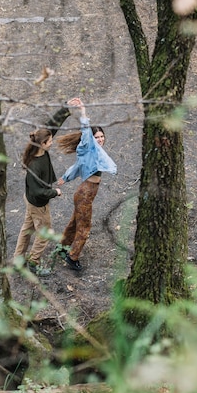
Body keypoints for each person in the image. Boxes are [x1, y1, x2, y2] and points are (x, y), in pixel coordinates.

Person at [13, 100, 78, 276]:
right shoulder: (35, 165)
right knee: (45, 232)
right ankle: (33, 262)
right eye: (49, 141)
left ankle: (18, 259)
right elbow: (37, 191)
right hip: (38, 202)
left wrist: (65, 108)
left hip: (31, 201)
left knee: (27, 229)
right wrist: (54, 192)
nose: (52, 142)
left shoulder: (38, 148)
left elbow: (51, 127)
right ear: (43, 144)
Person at [56, 100, 117, 271]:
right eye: (97, 137)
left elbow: (77, 166)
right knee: (84, 227)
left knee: (75, 222)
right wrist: (83, 111)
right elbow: (86, 132)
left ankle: (62, 247)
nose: (100, 139)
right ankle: (72, 257)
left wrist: (65, 177)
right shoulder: (89, 145)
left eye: (102, 136)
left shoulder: (94, 152)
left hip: (84, 192)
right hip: (85, 193)